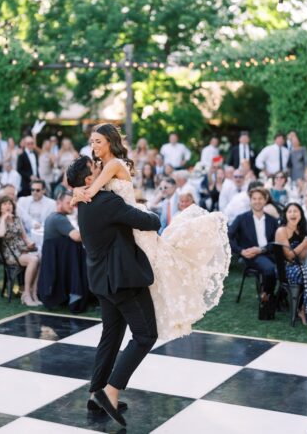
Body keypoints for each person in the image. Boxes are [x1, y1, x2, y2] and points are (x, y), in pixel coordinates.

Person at [72, 123, 230, 341]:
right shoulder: (103, 166)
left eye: (98, 141)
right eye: (92, 141)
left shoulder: (114, 164)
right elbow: (90, 188)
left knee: (155, 270)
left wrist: (76, 192)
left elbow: (91, 190)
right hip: (125, 223)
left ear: (110, 142)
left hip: (133, 221)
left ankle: (148, 324)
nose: (94, 145)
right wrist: (78, 190)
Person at [67, 155, 161, 427]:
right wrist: (151, 212)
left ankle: (95, 392)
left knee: (111, 335)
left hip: (101, 280)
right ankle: (111, 391)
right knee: (145, 335)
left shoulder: (84, 201)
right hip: (123, 281)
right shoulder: (106, 202)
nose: (104, 169)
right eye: (98, 168)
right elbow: (148, 222)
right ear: (88, 180)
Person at [229, 187, 278, 305]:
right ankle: (267, 296)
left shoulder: (272, 220)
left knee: (288, 269)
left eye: (260, 198)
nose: (257, 201)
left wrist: (261, 249)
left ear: (265, 200)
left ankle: (278, 297)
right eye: (254, 198)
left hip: (269, 252)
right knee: (270, 269)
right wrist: (240, 251)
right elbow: (228, 236)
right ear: (250, 201)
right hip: (251, 256)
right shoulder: (241, 218)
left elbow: (275, 241)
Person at [0, 195, 41, 306]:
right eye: (4, 204)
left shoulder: (17, 219)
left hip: (22, 249)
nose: (8, 206)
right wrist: (4, 219)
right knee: (33, 260)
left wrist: (29, 243)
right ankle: (26, 294)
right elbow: (1, 233)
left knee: (40, 256)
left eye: (9, 203)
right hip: (10, 253)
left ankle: (34, 292)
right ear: (0, 208)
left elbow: (24, 236)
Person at [275, 203, 307, 325]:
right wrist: (303, 245)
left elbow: (302, 257)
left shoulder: (301, 230)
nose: (293, 214)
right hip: (286, 269)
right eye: (290, 211)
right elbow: (288, 256)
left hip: (298, 266)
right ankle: (306, 311)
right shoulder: (281, 230)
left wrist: (306, 247)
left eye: (296, 211)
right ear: (286, 215)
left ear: (300, 215)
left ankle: (306, 309)